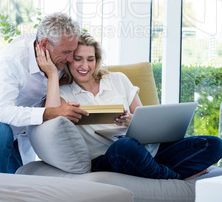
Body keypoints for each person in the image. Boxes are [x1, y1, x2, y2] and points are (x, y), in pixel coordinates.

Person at [37, 31, 222, 180]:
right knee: (126, 146)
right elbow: (51, 120)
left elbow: (144, 118)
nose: (84, 65)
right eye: (78, 59)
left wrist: (130, 121)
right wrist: (53, 74)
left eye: (90, 59)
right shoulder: (63, 92)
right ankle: (175, 177)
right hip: (110, 155)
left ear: (97, 60)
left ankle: (156, 170)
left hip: (147, 151)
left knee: (213, 144)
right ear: (68, 60)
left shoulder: (118, 79)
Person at [0, 13, 88, 173]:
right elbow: (1, 112)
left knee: (16, 187)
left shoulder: (59, 61)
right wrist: (50, 113)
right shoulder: (13, 60)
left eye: (73, 51)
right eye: (66, 52)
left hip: (16, 137)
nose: (70, 58)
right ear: (44, 44)